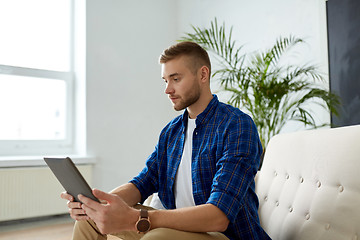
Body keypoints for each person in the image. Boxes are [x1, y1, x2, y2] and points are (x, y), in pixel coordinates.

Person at [61, 41, 271, 240]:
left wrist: (141, 218)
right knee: (89, 222)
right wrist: (99, 205)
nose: (167, 89)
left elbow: (219, 216)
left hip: (223, 235)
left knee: (157, 236)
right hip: (178, 229)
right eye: (165, 80)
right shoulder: (171, 132)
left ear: (203, 75)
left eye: (176, 79)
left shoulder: (237, 125)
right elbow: (143, 182)